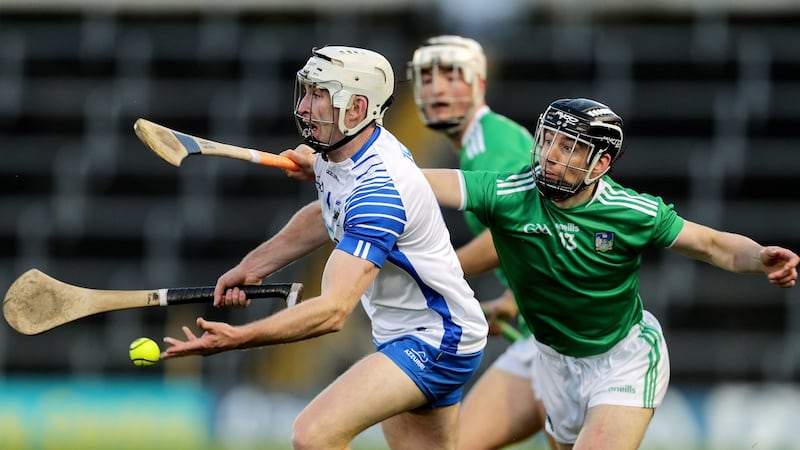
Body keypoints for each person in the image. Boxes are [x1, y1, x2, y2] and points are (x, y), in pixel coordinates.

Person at [422, 97, 799, 450]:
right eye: (548, 139)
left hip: (622, 360)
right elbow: (420, 181)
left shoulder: (630, 212)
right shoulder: (507, 192)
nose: (549, 156)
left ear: (600, 164)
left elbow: (713, 245)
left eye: (568, 147)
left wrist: (759, 256)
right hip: (554, 362)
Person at [160, 45, 489, 450]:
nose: (305, 106)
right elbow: (324, 213)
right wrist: (256, 264)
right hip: (413, 332)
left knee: (313, 434)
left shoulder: (379, 193)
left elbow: (332, 311)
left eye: (320, 95)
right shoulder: (345, 152)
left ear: (356, 108)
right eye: (307, 91)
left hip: (436, 339)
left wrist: (238, 338)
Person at [407, 35, 555, 450]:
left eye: (452, 76)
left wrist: (430, 273)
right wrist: (512, 296)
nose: (437, 88)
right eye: (427, 78)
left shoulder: (493, 144)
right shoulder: (479, 145)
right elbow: (539, 236)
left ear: (480, 86)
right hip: (534, 334)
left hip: (568, 336)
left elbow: (513, 232)